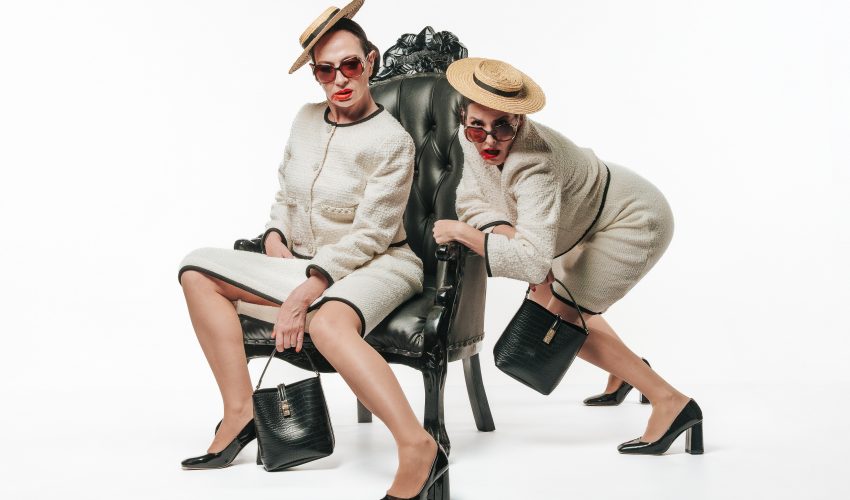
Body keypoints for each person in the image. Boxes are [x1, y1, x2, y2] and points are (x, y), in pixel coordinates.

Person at [177, 2, 449, 497]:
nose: (340, 79)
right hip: (303, 265)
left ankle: (418, 447)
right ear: (316, 75)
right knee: (196, 269)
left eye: (350, 64)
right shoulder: (304, 120)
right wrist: (275, 237)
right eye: (326, 70)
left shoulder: (392, 141)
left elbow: (371, 235)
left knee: (326, 324)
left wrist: (304, 293)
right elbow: (286, 195)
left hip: (381, 263)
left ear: (370, 61)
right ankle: (240, 413)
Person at [434, 57, 703, 455]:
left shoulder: (535, 164)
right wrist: (509, 235)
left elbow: (531, 262)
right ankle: (625, 371)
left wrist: (465, 234)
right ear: (464, 118)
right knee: (560, 303)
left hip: (632, 219)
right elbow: (474, 197)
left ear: (520, 121)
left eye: (503, 127)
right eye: (477, 127)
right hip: (583, 217)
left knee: (556, 323)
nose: (488, 141)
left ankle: (672, 403)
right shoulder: (467, 137)